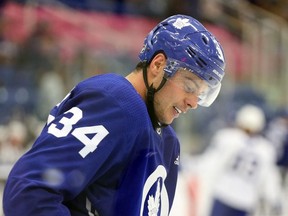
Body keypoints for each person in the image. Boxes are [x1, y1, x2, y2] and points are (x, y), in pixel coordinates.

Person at [3, 14, 225, 215]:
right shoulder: (117, 103)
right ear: (158, 65)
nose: (193, 103)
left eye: (202, 94)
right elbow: (29, 193)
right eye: (189, 86)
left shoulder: (168, 143)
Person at [201, 104, 282, 216]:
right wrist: (273, 199)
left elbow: (211, 163)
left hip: (223, 193)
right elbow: (269, 179)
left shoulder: (228, 137)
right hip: (245, 200)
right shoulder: (265, 149)